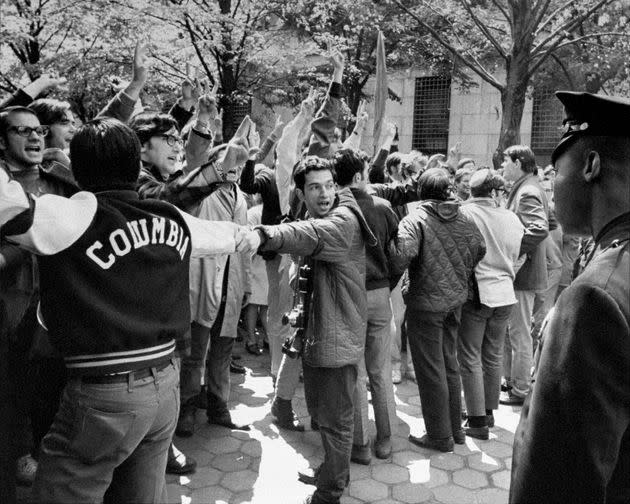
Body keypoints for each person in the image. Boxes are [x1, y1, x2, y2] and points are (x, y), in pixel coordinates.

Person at [0, 116, 255, 503]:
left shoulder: (65, 217)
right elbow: (221, 235)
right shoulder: (169, 217)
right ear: (135, 163)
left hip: (102, 395)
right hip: (165, 386)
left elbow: (5, 204)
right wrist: (248, 235)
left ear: (78, 169)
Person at [510, 92, 630, 504]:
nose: (550, 185)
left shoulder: (596, 298)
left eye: (554, 170)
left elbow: (557, 480)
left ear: (591, 165)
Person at [242, 155, 376, 504]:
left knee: (335, 420)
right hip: (319, 336)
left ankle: (331, 489)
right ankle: (330, 471)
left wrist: (263, 234)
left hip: (336, 340)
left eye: (329, 185)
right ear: (301, 192)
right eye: (315, 187)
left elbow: (307, 235)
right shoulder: (317, 214)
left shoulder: (341, 221)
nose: (325, 193)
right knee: (322, 414)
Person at [392, 168, 486, 452]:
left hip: (425, 303)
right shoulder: (466, 216)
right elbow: (480, 248)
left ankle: (439, 436)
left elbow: (402, 255)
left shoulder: (415, 219)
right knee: (449, 364)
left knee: (431, 370)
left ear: (423, 191)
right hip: (455, 301)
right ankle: (455, 431)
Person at [333, 148, 399, 463]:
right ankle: (384, 440)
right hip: (379, 294)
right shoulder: (384, 207)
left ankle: (361, 443)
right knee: (380, 372)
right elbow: (398, 253)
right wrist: (388, 282)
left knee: (355, 373)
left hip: (348, 295)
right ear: (360, 175)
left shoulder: (334, 208)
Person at [458, 169, 524, 439]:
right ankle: (487, 412)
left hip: (478, 293)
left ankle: (476, 421)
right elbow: (520, 254)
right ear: (494, 193)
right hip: (505, 294)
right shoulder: (511, 217)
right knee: (492, 354)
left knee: (470, 356)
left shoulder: (465, 214)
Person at [500, 145, 551, 405]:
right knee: (515, 332)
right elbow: (551, 222)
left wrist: (512, 252)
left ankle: (520, 389)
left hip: (522, 274)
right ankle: (512, 382)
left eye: (505, 162)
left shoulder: (528, 190)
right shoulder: (530, 185)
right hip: (525, 273)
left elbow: (540, 228)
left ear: (518, 162)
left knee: (519, 334)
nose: (501, 167)